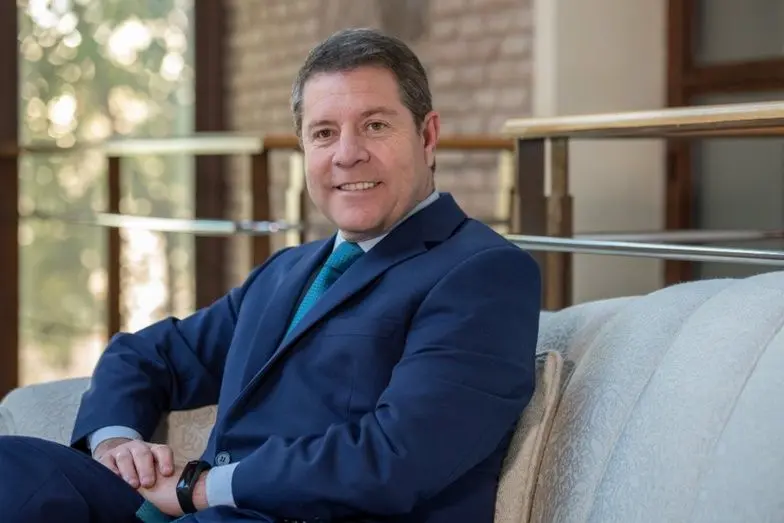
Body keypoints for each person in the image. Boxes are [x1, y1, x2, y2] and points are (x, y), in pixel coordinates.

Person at [0, 27, 541, 523]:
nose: (347, 155)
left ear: (427, 135)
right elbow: (146, 355)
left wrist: (200, 488)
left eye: (375, 126)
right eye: (323, 133)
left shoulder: (482, 272)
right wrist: (117, 444)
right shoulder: (288, 270)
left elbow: (398, 457)